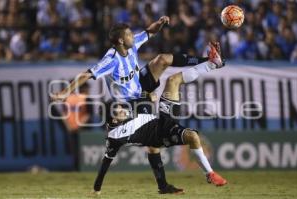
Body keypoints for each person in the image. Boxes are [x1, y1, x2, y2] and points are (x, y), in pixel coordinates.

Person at [51, 15, 222, 194]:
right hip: (130, 102)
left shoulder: (131, 46)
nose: (133, 37)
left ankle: (209, 60)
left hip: (141, 85)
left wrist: (160, 23)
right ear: (120, 40)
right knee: (152, 141)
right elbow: (87, 74)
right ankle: (163, 186)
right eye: (129, 35)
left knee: (163, 59)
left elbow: (149, 32)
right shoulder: (111, 59)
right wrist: (65, 92)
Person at [92, 44, 227, 194]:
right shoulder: (114, 138)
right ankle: (210, 174)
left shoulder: (125, 109)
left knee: (173, 80)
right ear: (114, 120)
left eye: (120, 108)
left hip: (160, 118)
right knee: (193, 137)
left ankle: (212, 64)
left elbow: (135, 100)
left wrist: (147, 96)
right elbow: (105, 163)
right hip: (163, 132)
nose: (123, 110)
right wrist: (96, 189)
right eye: (119, 111)